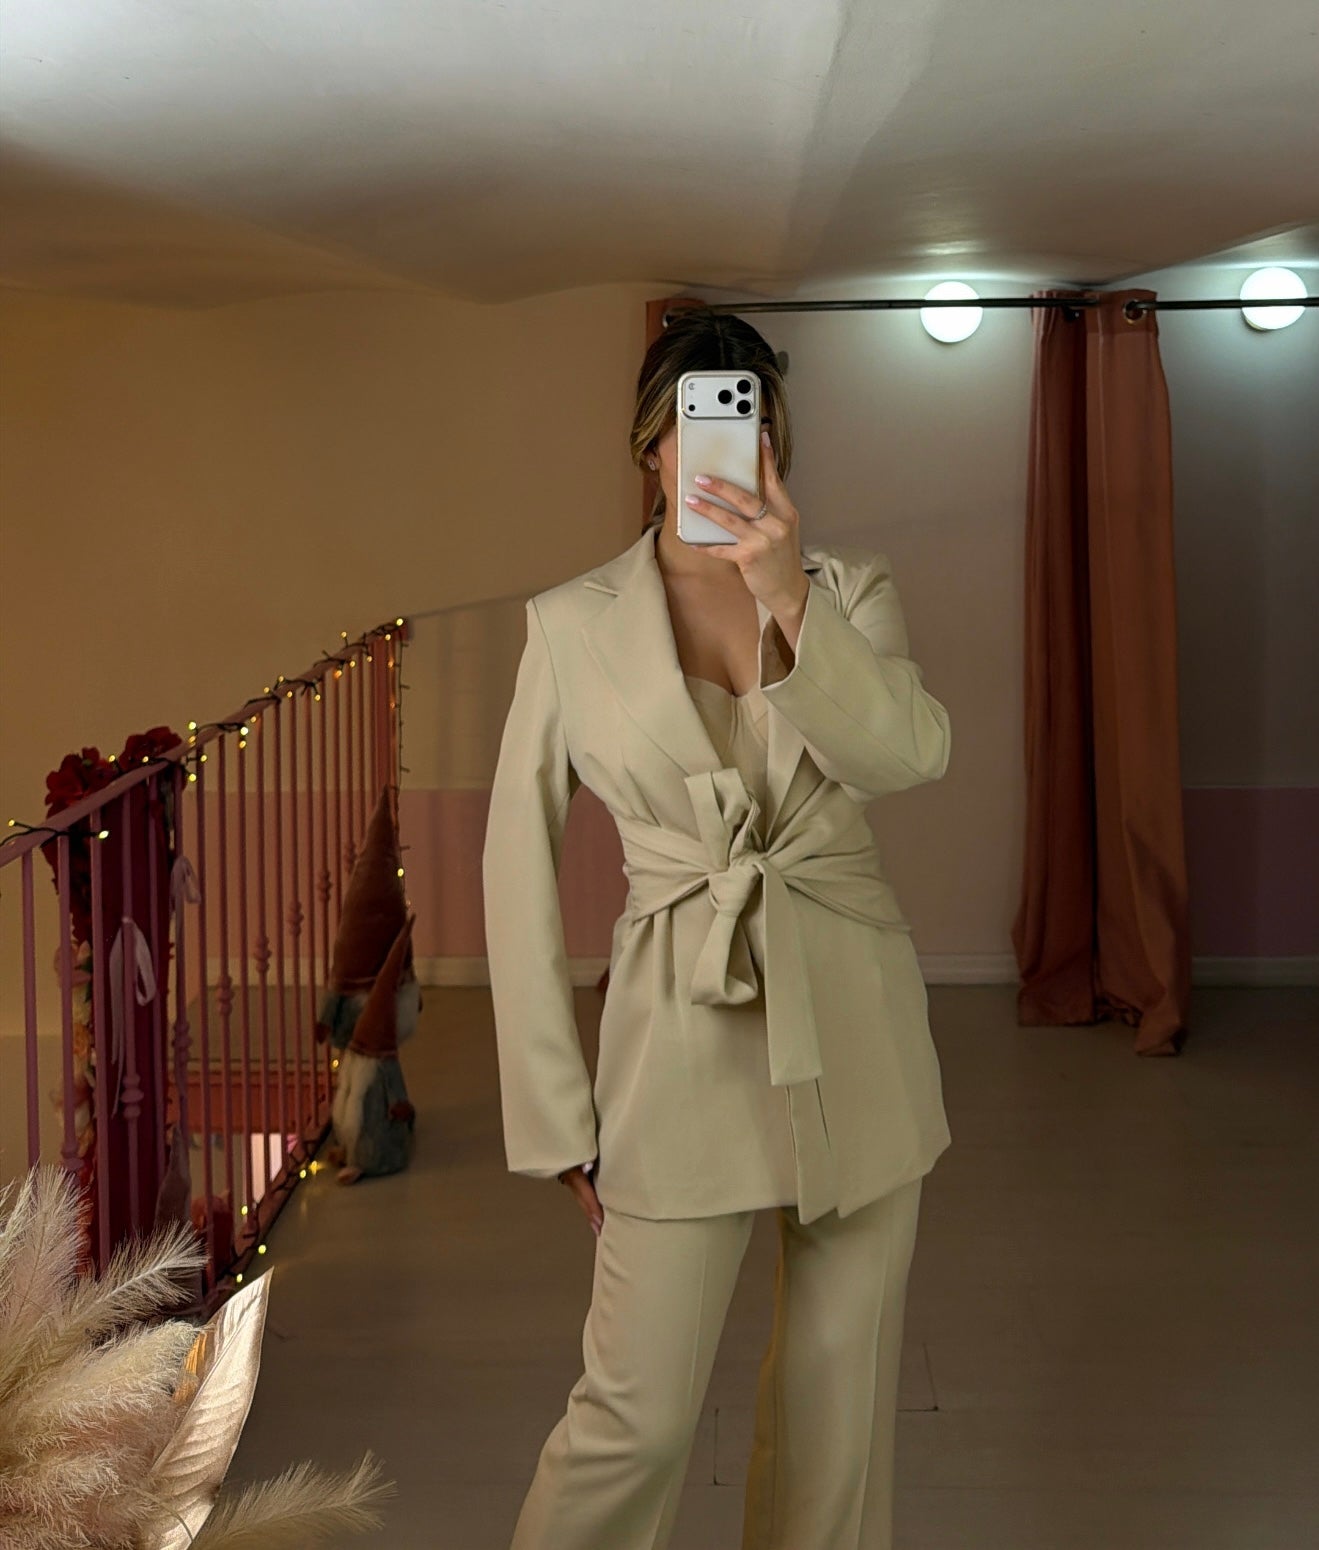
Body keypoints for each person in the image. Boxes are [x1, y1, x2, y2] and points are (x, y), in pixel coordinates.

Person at [482, 308, 953, 1550]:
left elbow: (907, 753)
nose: (720, 448)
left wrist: (785, 595)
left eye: (747, 424)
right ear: (650, 445)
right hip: (674, 1038)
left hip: (852, 1025)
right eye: (694, 423)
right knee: (631, 1420)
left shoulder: (846, 590)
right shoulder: (569, 622)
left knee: (835, 1424)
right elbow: (514, 864)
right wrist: (553, 1110)